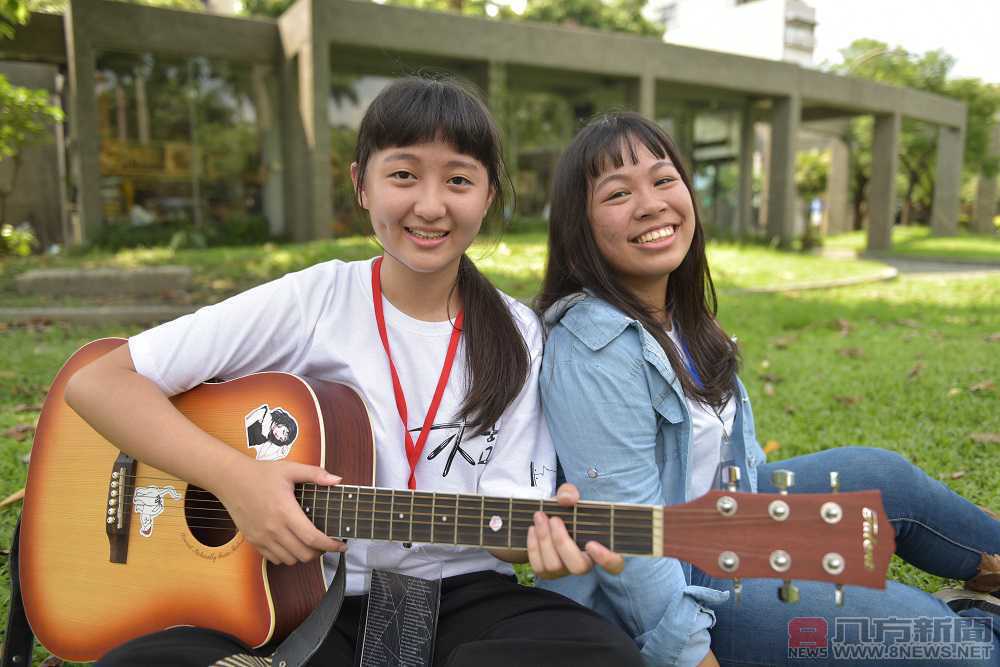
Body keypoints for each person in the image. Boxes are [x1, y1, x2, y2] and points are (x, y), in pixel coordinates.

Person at [65, 77, 640, 667]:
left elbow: (515, 508)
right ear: (360, 184)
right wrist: (237, 480)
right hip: (300, 599)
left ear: (489, 196)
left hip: (461, 597)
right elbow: (98, 382)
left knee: (599, 655)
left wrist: (545, 540)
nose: (430, 205)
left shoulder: (519, 334)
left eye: (459, 180)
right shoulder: (314, 300)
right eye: (403, 175)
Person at [534, 111, 1000, 667]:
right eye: (617, 194)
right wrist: (689, 655)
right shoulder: (594, 348)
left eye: (663, 180)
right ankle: (976, 631)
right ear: (579, 226)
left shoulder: (674, 312)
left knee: (884, 478)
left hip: (728, 521)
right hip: (683, 582)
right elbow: (629, 544)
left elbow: (730, 452)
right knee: (927, 633)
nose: (651, 203)